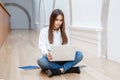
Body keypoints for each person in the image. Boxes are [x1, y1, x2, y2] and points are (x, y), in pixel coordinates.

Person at [37, 9, 83, 77]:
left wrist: (68, 53)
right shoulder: (44, 31)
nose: (58, 22)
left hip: (64, 59)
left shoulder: (65, 32)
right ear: (52, 19)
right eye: (56, 19)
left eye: (61, 20)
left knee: (79, 54)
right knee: (41, 61)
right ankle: (68, 69)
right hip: (51, 60)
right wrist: (47, 54)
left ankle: (57, 70)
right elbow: (42, 45)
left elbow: (68, 47)